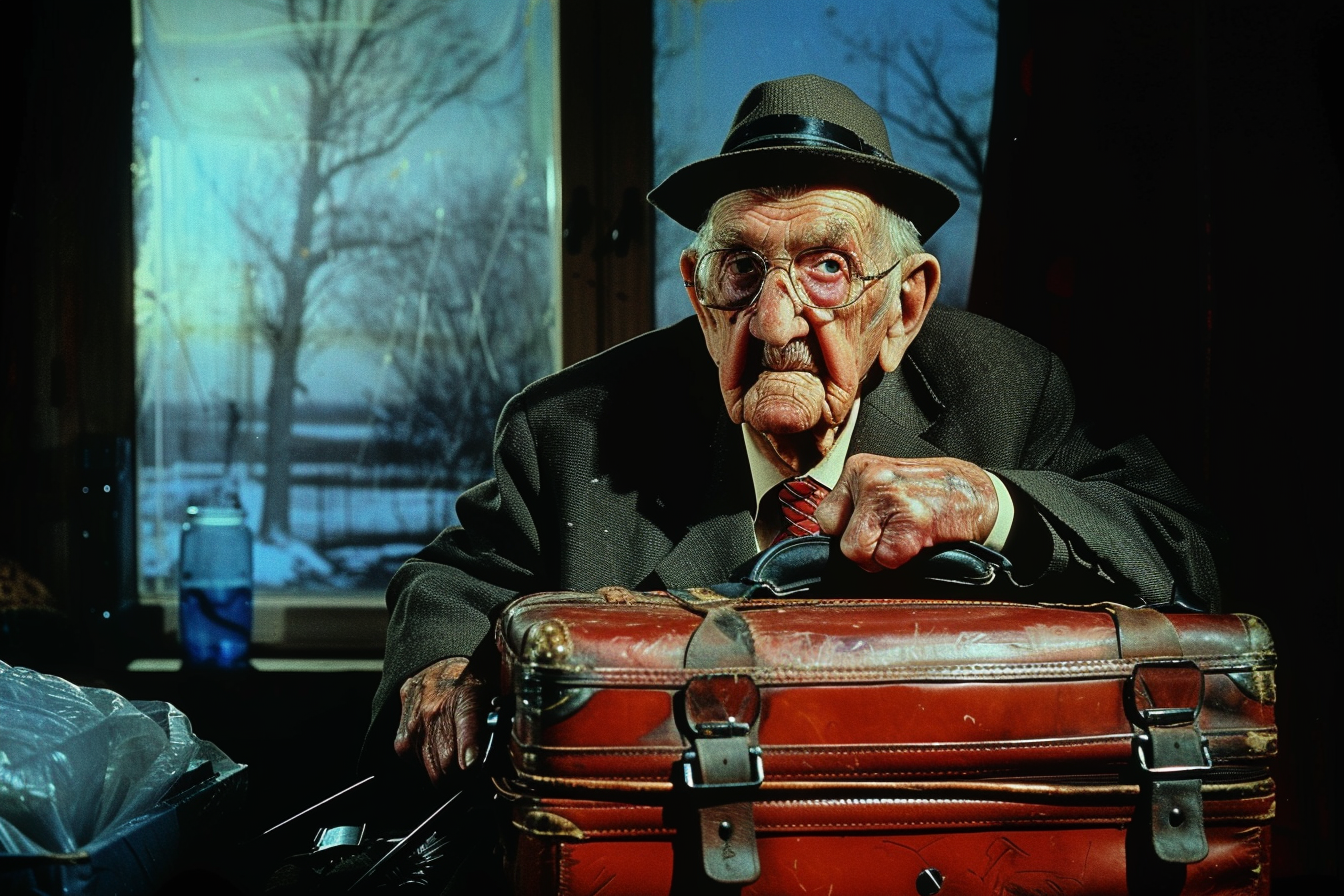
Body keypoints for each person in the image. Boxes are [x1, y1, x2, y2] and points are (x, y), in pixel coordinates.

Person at [364, 74, 1226, 787]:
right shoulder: (568, 429)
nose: (774, 320)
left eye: (828, 267)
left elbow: (1179, 548)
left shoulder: (1009, 389)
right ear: (700, 299)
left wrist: (990, 503)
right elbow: (455, 581)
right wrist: (439, 669)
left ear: (906, 305)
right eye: (742, 268)